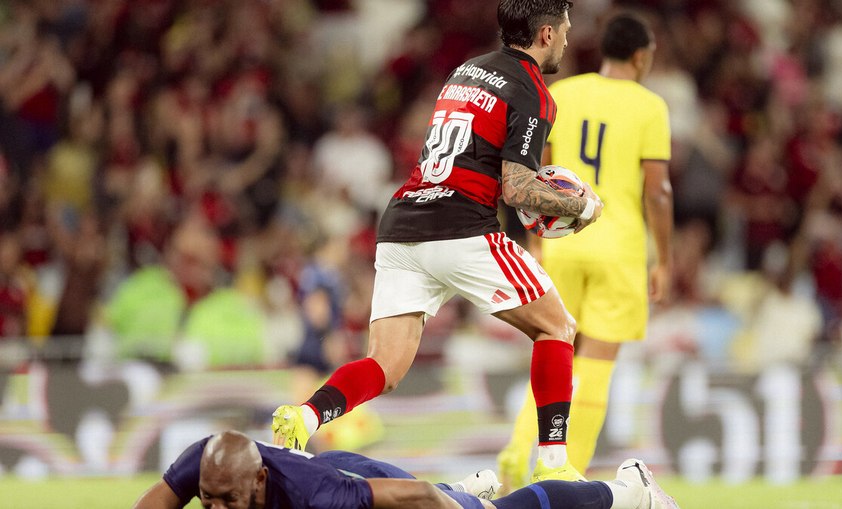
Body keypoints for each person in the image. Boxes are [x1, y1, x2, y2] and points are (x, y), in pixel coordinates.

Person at [271, 0, 604, 483]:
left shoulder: (466, 71)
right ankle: (554, 465)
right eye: (567, 29)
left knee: (384, 365)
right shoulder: (534, 91)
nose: (570, 39)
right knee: (557, 328)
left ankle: (303, 417)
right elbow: (517, 188)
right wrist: (583, 206)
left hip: (403, 223)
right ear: (547, 35)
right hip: (461, 226)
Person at [497, 12, 673, 490]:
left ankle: (516, 452)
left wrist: (537, 236)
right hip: (619, 248)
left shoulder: (566, 93)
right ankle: (564, 480)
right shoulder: (650, 106)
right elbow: (657, 192)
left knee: (553, 350)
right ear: (640, 56)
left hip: (564, 243)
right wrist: (665, 260)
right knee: (596, 366)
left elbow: (538, 168)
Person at [132, 430, 679, 509]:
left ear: (257, 481)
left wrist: (453, 505)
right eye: (209, 502)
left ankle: (629, 488)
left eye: (228, 501)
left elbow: (411, 494)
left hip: (374, 488)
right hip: (336, 470)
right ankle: (465, 487)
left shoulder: (321, 498)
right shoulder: (204, 462)